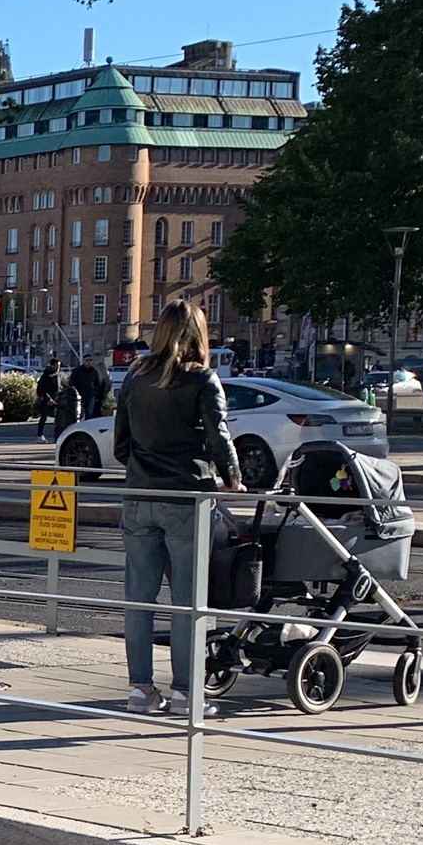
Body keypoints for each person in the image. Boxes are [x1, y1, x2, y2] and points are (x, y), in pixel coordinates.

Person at [111, 301, 243, 716]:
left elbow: (120, 444)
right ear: (198, 335)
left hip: (139, 495)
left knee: (140, 596)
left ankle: (141, 690)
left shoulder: (136, 375)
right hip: (186, 496)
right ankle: (187, 693)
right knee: (188, 598)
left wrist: (142, 465)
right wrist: (233, 477)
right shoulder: (203, 379)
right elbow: (219, 436)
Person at [34, 360, 64, 440]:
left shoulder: (57, 375)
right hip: (47, 400)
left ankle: (57, 435)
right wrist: (48, 399)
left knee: (58, 418)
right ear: (52, 365)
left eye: (59, 366)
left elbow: (59, 387)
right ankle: (39, 435)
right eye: (57, 365)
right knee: (44, 417)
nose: (58, 367)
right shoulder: (46, 376)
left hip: (56, 399)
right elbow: (42, 389)